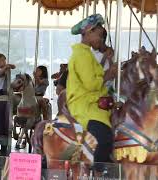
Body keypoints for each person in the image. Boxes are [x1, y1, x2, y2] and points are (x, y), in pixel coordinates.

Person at [67, 14, 117, 171]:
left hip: (94, 100)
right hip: (84, 103)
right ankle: (96, 171)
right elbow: (91, 84)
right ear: (89, 32)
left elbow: (95, 78)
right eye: (99, 35)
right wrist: (109, 74)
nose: (101, 40)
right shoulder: (81, 55)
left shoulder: (87, 53)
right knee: (105, 137)